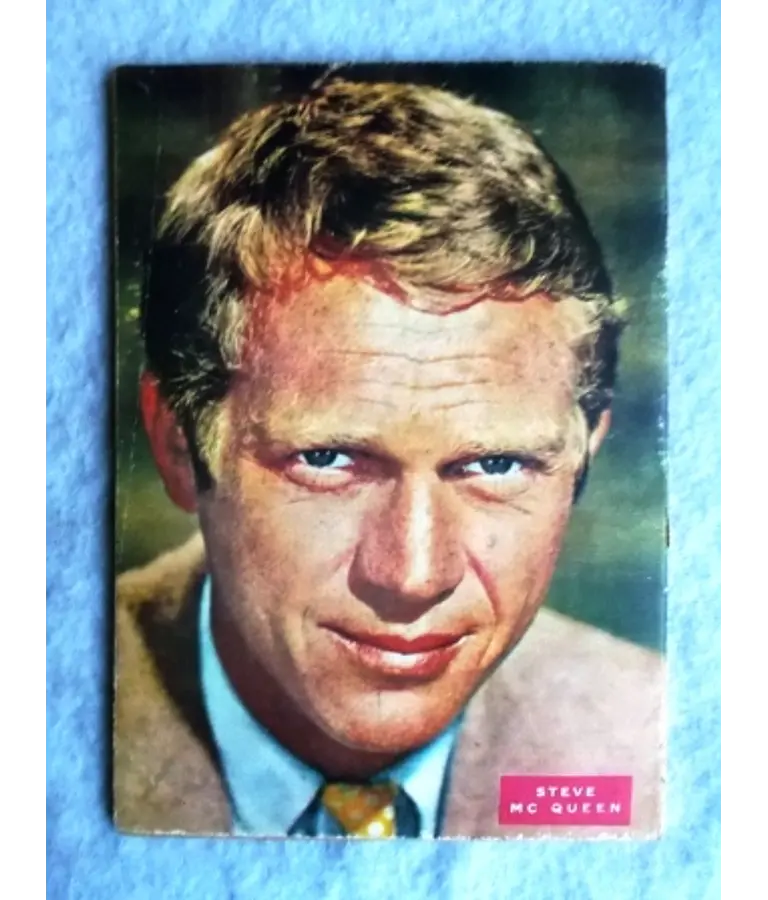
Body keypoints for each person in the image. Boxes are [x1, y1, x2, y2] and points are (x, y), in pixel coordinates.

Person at [114, 78, 663, 839]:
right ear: (179, 444)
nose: (412, 576)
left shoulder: (671, 755)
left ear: (583, 453)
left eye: (494, 466)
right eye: (329, 459)